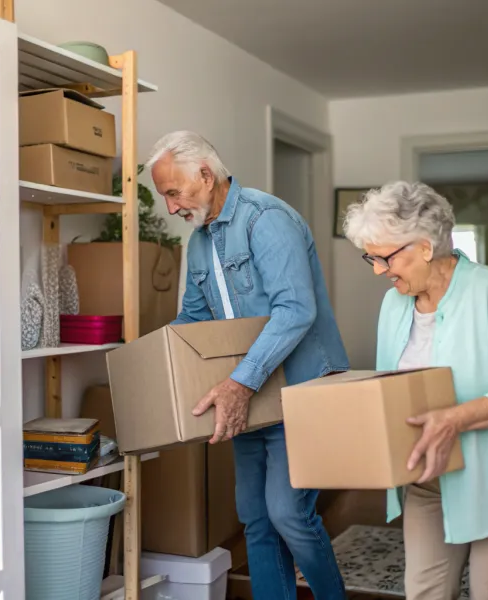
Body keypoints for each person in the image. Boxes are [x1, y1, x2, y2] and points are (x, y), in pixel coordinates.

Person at [147, 131, 349, 600]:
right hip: (247, 395)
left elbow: (296, 310)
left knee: (288, 515)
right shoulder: (199, 243)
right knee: (255, 518)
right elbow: (194, 319)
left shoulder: (266, 219)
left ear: (204, 173)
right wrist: (154, 366)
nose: (171, 207)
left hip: (299, 391)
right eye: (165, 198)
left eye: (173, 193)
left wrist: (240, 383)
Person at [343, 181, 488, 600]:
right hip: (430, 480)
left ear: (425, 247)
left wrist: (454, 419)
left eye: (384, 257)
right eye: (369, 257)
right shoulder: (394, 305)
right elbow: (393, 388)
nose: (378, 270)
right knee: (423, 592)